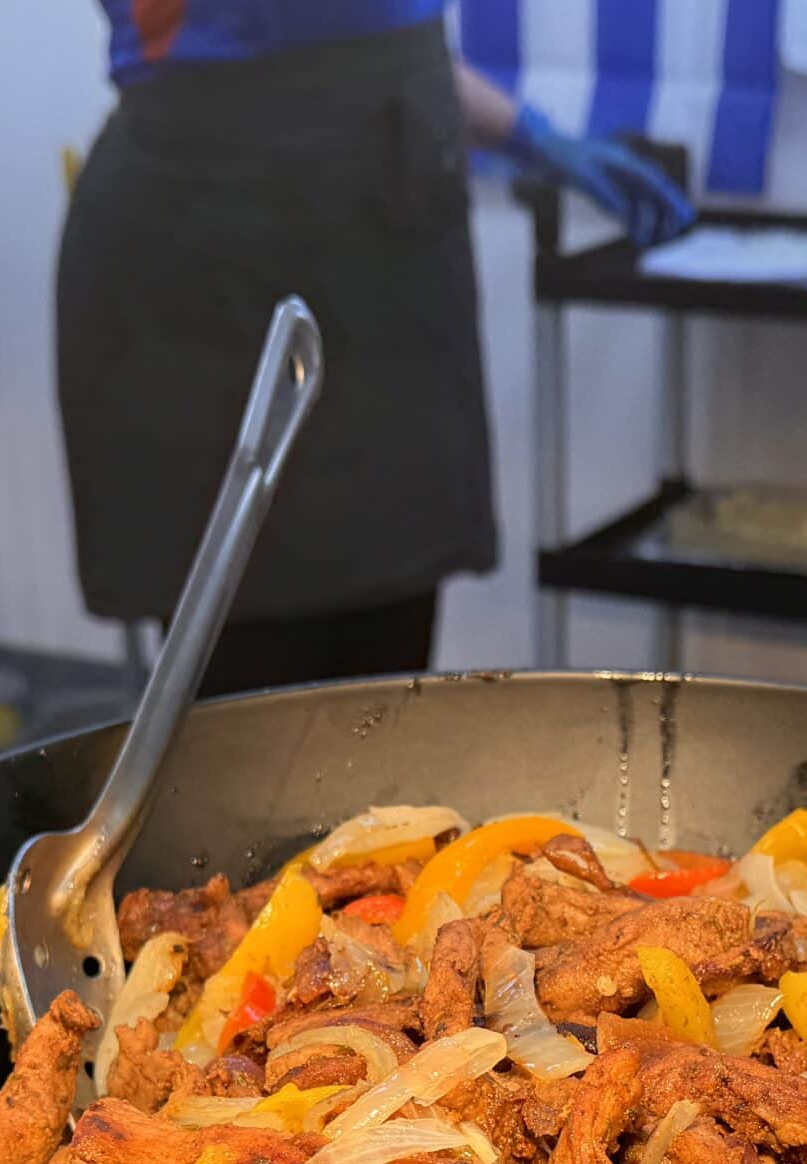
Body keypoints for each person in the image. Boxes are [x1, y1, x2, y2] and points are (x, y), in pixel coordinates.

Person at [60, 2, 694, 699]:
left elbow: (374, 45)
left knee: (386, 708)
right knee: (244, 716)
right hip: (206, 278)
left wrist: (536, 136)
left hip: (390, 282)